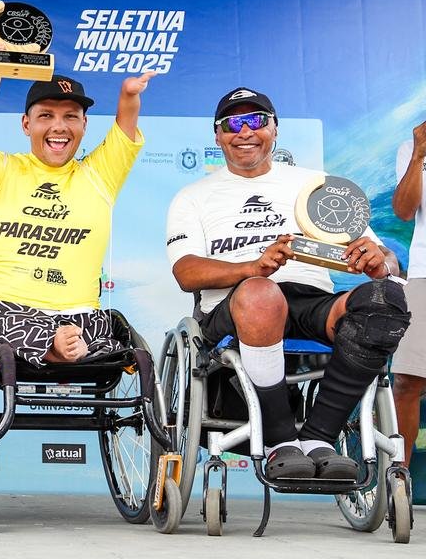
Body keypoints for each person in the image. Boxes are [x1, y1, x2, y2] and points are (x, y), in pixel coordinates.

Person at [166, 87, 409, 481]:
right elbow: (186, 271)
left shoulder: (315, 184)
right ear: (217, 135)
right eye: (233, 123)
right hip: (235, 307)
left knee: (387, 298)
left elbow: (385, 258)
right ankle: (280, 437)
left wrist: (380, 262)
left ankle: (318, 438)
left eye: (257, 120)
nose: (245, 131)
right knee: (262, 292)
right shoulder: (193, 197)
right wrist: (252, 268)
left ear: (275, 129)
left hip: (310, 301)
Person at [0, 70, 154, 368]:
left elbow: (125, 125)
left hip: (81, 316)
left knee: (121, 346)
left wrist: (129, 95)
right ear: (26, 124)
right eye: (46, 116)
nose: (59, 127)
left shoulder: (100, 175)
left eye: (70, 117)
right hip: (9, 310)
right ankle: (54, 348)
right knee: (9, 332)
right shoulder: (2, 169)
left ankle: (64, 344)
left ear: (84, 124)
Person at [391, 120, 426, 470]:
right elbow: (402, 211)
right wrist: (418, 153)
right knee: (407, 381)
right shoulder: (411, 149)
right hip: (423, 273)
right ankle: (398, 475)